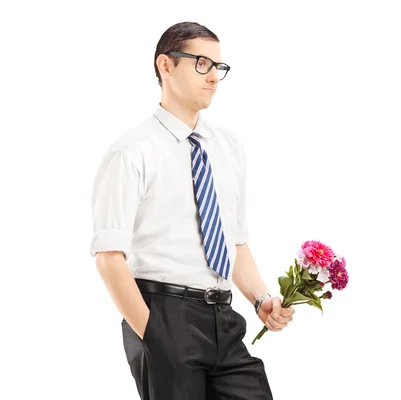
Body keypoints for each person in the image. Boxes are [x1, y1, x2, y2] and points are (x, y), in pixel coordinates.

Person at [89, 21, 294, 400]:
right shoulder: (131, 152)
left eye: (219, 66)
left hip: (225, 320)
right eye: (202, 63)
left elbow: (235, 243)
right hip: (163, 312)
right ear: (165, 66)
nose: (214, 76)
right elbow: (109, 259)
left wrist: (261, 299)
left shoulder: (228, 148)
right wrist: (153, 335)